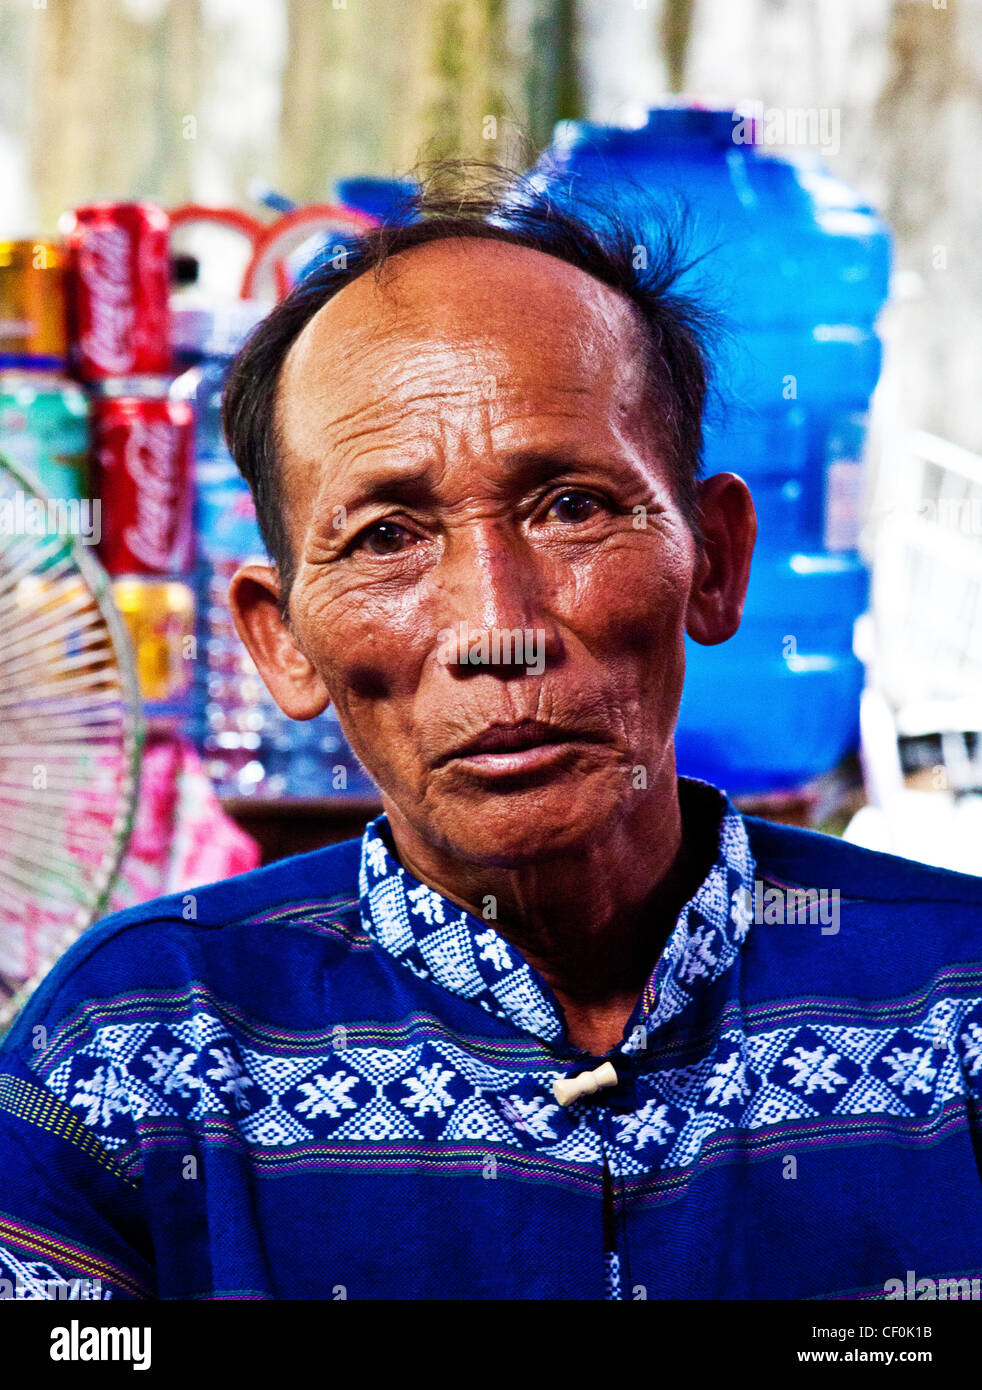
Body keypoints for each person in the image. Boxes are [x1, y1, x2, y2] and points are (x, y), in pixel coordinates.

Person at [1, 170, 980, 1302]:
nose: (498, 631)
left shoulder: (953, 1004)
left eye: (571, 506)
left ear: (714, 559)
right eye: (386, 536)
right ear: (281, 643)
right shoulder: (137, 1048)